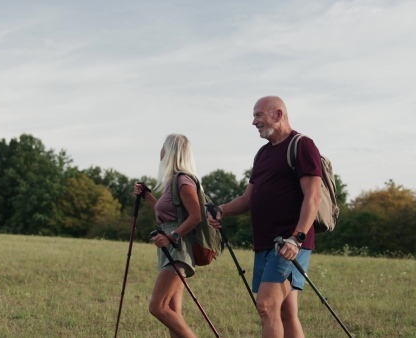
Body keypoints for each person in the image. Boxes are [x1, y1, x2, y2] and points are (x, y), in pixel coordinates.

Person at [208, 96, 323, 338]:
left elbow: (313, 196)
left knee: (267, 306)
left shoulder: (302, 145)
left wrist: (296, 238)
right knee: (286, 314)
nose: (253, 121)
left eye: (259, 115)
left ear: (278, 114)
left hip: (289, 244)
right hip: (265, 244)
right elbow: (248, 198)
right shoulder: (262, 154)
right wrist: (222, 209)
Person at [133, 133, 202, 338]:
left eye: (163, 147)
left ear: (170, 151)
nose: (160, 151)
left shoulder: (183, 180)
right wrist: (147, 196)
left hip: (178, 250)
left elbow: (196, 216)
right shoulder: (172, 181)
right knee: (172, 311)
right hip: (170, 249)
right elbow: (167, 217)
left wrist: (172, 237)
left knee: (158, 307)